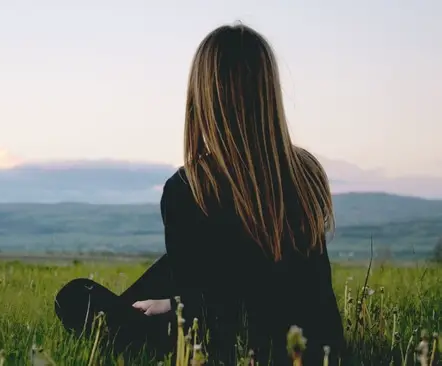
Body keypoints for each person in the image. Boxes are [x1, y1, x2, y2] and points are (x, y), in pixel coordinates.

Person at [54, 23, 345, 365]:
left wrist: (176, 305)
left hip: (228, 347)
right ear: (269, 92)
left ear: (203, 95)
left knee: (75, 298)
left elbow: (208, 316)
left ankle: (119, 332)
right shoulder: (306, 172)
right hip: (317, 349)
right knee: (169, 271)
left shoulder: (191, 187)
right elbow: (282, 284)